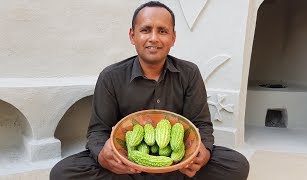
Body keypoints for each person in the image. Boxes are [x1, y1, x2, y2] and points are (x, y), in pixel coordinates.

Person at [50, 1, 249, 180]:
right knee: (62, 173)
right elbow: (98, 132)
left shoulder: (189, 73)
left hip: (175, 164)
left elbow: (201, 124)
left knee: (236, 165)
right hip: (128, 164)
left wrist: (203, 153)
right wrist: (104, 158)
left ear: (173, 37)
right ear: (132, 35)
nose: (154, 38)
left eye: (162, 31)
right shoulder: (111, 77)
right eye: (146, 30)